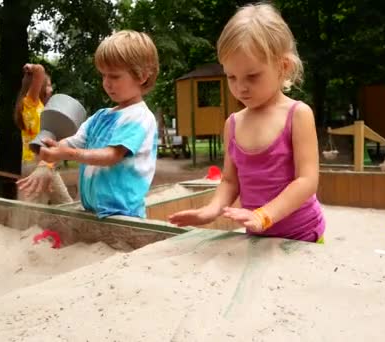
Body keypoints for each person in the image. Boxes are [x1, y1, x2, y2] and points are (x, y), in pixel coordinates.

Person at [168, 3, 325, 243]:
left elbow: (307, 181)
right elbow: (230, 180)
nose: (240, 87)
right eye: (231, 77)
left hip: (303, 236)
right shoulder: (232, 124)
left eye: (252, 76)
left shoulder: (297, 114)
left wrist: (264, 215)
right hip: (257, 235)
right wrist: (210, 210)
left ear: (283, 67)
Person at [18, 30, 159, 219]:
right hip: (93, 212)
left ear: (142, 76)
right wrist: (46, 162)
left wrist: (66, 154)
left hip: (123, 215)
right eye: (103, 75)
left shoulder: (140, 117)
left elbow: (111, 155)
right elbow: (71, 143)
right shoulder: (100, 116)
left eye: (115, 76)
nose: (106, 83)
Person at [14, 63, 72, 204]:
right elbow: (40, 71)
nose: (51, 89)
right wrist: (32, 68)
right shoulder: (30, 102)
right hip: (37, 161)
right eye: (48, 85)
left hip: (39, 161)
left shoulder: (38, 107)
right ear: (37, 86)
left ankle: (28, 223)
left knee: (46, 203)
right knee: (64, 203)